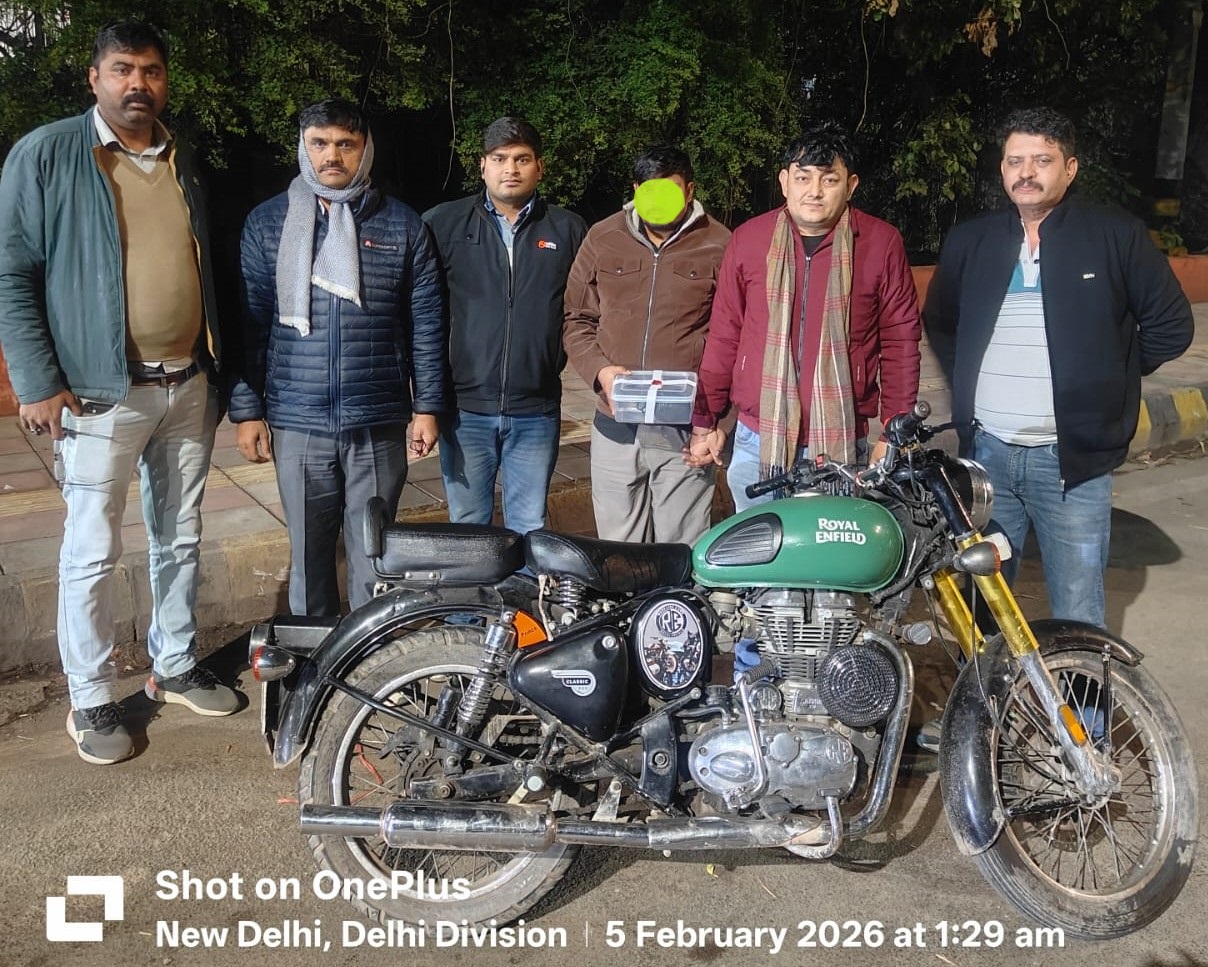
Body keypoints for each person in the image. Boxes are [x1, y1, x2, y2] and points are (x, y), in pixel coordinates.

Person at [0, 20, 238, 764]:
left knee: (181, 534)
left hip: (186, 384)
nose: (139, 83)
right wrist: (37, 380)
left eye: (152, 71)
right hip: (99, 394)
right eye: (123, 69)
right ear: (94, 77)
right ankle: (91, 697)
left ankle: (175, 663)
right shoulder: (49, 153)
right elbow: (12, 272)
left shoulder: (181, 156)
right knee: (92, 550)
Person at [924, 106, 1193, 629]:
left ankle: (1079, 687)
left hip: (1072, 466)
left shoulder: (1115, 235)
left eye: (1041, 160)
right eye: (1014, 161)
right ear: (1002, 169)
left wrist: (1109, 374)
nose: (1026, 173)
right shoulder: (972, 240)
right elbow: (942, 323)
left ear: (1070, 169)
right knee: (985, 607)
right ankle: (989, 688)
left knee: (1077, 610)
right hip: (987, 459)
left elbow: (1171, 326)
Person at [230, 98, 448, 616]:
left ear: (365, 150)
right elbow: (250, 321)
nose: (332, 155)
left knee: (375, 549)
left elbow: (426, 322)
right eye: (320, 143)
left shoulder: (401, 225)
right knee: (309, 552)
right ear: (303, 148)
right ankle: (316, 652)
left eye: (345, 144)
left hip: (377, 417)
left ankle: (371, 650)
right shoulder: (268, 223)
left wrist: (427, 406)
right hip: (298, 417)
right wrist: (247, 410)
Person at [687, 122, 921, 510]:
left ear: (850, 185)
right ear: (784, 182)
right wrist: (705, 420)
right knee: (760, 544)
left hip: (839, 442)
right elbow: (725, 333)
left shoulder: (880, 243)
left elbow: (900, 339)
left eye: (829, 179)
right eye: (803, 177)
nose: (814, 191)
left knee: (830, 546)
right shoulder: (749, 239)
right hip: (756, 439)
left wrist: (894, 430)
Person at [423, 118, 586, 533]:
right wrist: (425, 402)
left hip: (536, 410)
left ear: (539, 167)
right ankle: (474, 581)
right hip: (465, 410)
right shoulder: (443, 224)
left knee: (529, 525)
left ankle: (523, 582)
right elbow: (422, 311)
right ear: (482, 166)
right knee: (468, 527)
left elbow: (584, 311)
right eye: (499, 159)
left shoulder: (568, 229)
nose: (510, 168)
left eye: (521, 159)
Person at [564, 145, 731, 544]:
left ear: (689, 191)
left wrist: (720, 423)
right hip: (614, 425)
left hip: (686, 429)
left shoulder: (720, 244)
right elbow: (576, 318)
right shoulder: (603, 237)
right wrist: (601, 372)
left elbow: (734, 339)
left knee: (681, 549)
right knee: (618, 551)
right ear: (636, 190)